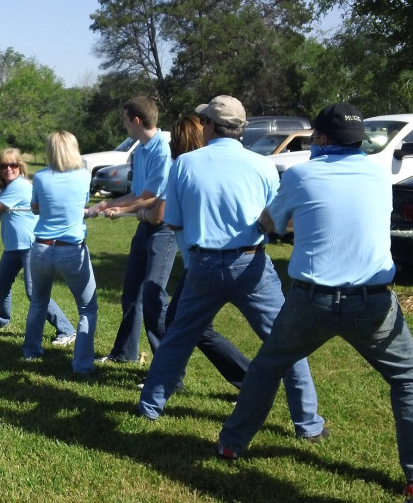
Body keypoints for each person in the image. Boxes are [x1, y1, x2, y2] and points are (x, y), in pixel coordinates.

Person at [216, 103, 413, 500]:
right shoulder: (379, 178)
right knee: (407, 380)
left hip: (311, 301)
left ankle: (232, 443)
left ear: (322, 139)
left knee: (266, 369)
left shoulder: (301, 175)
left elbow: (269, 223)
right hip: (372, 303)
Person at [136, 96, 326, 444]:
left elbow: (174, 222)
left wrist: (194, 260)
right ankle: (308, 424)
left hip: (204, 263)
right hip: (251, 263)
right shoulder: (264, 165)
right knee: (285, 342)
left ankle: (150, 405)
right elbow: (274, 221)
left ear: (208, 125)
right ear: (241, 128)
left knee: (178, 338)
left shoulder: (186, 164)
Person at [137, 115, 251, 389]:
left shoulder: (183, 168)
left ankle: (249, 379)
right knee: (190, 325)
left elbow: (162, 216)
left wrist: (143, 213)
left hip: (203, 263)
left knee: (187, 324)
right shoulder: (210, 169)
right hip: (224, 258)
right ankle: (247, 379)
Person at [85, 96, 176, 363]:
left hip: (164, 230)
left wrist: (121, 210)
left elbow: (152, 197)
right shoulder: (141, 151)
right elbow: (137, 193)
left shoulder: (162, 150)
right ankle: (124, 353)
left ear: (136, 120)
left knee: (153, 296)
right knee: (131, 292)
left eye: (125, 120)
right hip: (145, 226)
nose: (124, 125)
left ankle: (165, 366)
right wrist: (105, 204)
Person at [0, 148, 76, 345]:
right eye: (4, 165)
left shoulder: (18, 186)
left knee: (34, 292)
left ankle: (67, 330)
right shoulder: (8, 189)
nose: (8, 168)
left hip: (30, 246)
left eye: (13, 165)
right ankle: (1, 320)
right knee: (2, 283)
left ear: (20, 167)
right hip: (12, 246)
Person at [21, 131, 98, 375]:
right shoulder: (84, 176)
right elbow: (82, 203)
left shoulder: (41, 177)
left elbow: (35, 208)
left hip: (42, 248)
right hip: (71, 250)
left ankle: (31, 352)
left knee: (39, 301)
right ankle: (82, 365)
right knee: (87, 308)